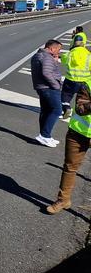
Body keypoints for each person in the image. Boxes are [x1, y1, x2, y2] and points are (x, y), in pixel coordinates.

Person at [45, 80, 91, 214]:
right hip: (78, 133)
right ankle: (63, 200)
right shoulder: (87, 83)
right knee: (70, 167)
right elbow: (80, 108)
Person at [31, 39, 64, 148]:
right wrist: (56, 85)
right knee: (57, 110)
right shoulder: (47, 57)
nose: (59, 52)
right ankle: (45, 135)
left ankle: (45, 135)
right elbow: (47, 72)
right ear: (52, 48)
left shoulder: (38, 55)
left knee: (45, 111)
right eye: (58, 49)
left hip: (41, 87)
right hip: (49, 88)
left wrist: (54, 60)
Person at [59, 35, 90, 119]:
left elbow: (63, 59)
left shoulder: (70, 53)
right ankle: (80, 113)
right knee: (82, 99)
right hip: (85, 82)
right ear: (83, 44)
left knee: (65, 96)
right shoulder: (88, 54)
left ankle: (66, 108)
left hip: (71, 80)